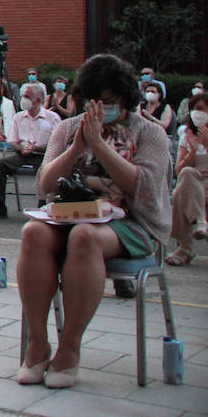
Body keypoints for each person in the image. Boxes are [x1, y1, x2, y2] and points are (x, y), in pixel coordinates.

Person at [16, 53, 171, 389]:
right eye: (92, 101)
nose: (100, 109)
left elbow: (141, 189)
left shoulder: (150, 135)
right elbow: (44, 185)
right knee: (33, 234)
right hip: (70, 216)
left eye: (109, 102)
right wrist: (76, 148)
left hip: (131, 225)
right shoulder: (69, 127)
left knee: (84, 237)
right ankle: (38, 344)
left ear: (126, 100)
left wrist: (100, 146)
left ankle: (69, 349)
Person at [0, 84, 61, 220]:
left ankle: (43, 204)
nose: (23, 100)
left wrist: (37, 148)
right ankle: (0, 206)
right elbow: (13, 141)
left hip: (44, 156)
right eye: (23, 96)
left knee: (46, 169)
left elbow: (57, 142)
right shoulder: (18, 117)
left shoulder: (53, 118)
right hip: (23, 155)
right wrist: (23, 149)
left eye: (27, 97)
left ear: (38, 100)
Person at [167, 94, 208, 265]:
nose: (197, 113)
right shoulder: (186, 136)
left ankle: (185, 248)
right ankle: (201, 222)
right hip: (192, 183)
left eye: (201, 110)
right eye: (194, 110)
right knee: (187, 175)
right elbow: (179, 170)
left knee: (180, 193)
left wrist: (206, 145)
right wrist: (192, 151)